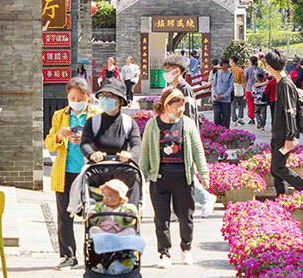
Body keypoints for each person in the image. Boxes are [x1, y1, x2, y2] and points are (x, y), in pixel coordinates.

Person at [140, 88, 210, 268]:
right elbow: (145, 152)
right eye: (177, 106)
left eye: (182, 106)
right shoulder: (152, 125)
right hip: (160, 178)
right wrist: (141, 176)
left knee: (186, 217)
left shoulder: (187, 124)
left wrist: (203, 174)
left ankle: (186, 249)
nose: (180, 110)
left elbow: (198, 151)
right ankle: (164, 253)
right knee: (161, 219)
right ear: (166, 106)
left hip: (183, 178)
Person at [45, 77, 100, 269]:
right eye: (72, 97)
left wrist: (86, 142)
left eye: (80, 97)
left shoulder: (97, 115)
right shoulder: (60, 115)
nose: (76, 101)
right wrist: (59, 136)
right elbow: (49, 143)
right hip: (65, 171)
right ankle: (68, 255)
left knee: (92, 215)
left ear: (88, 96)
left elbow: (104, 142)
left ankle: (93, 254)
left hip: (89, 172)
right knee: (64, 216)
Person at [163, 55, 217, 217]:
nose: (165, 73)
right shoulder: (175, 89)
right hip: (175, 136)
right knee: (179, 173)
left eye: (168, 70)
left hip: (183, 137)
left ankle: (205, 197)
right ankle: (179, 208)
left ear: (177, 71)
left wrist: (188, 137)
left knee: (183, 173)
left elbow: (190, 116)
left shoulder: (184, 89)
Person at [264, 48, 303, 195]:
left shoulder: (285, 84)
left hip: (284, 133)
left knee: (278, 168)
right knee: (275, 170)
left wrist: (290, 136)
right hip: (278, 132)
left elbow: (290, 111)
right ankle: (281, 199)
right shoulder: (281, 82)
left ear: (270, 65)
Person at [80, 79, 141, 164]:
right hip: (97, 168)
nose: (105, 99)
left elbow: (136, 145)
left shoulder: (128, 123)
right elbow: (84, 143)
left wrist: (130, 154)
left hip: (122, 167)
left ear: (121, 101)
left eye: (109, 96)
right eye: (102, 95)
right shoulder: (93, 121)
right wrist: (92, 154)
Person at [211, 58, 234, 128]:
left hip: (226, 100)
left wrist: (224, 96)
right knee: (216, 116)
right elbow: (214, 85)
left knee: (226, 117)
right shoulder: (217, 73)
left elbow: (231, 87)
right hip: (216, 99)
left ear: (226, 65)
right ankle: (217, 131)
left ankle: (226, 132)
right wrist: (215, 94)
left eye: (221, 64)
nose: (220, 66)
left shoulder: (230, 75)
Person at [244, 56, 262, 124]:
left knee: (250, 104)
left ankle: (252, 118)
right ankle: (258, 117)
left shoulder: (248, 69)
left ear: (251, 62)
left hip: (249, 89)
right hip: (258, 89)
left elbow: (245, 79)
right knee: (258, 103)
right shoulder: (260, 69)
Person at [229, 56, 246, 127]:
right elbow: (243, 81)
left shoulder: (229, 70)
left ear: (232, 62)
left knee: (232, 104)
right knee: (241, 104)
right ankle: (240, 117)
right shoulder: (241, 70)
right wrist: (244, 89)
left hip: (231, 88)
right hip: (239, 88)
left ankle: (234, 119)